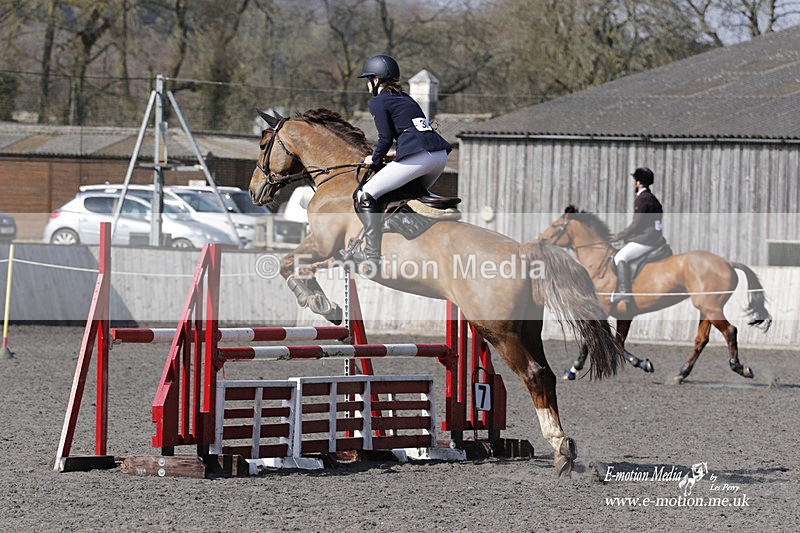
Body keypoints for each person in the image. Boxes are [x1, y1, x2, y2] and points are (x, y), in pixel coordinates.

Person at [348, 54, 452, 265]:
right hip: (438, 156)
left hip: (420, 157)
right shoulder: (405, 98)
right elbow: (415, 132)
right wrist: (396, 154)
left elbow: (385, 137)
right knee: (406, 194)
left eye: (369, 80)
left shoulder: (378, 101)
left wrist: (375, 160)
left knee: (365, 193)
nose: (368, 85)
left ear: (376, 79)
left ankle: (371, 255)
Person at [610, 167, 667, 302]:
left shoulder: (643, 199)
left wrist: (618, 236)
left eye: (635, 180)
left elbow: (636, 224)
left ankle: (625, 292)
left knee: (620, 257)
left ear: (639, 182)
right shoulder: (653, 199)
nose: (634, 183)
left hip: (647, 240)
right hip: (654, 237)